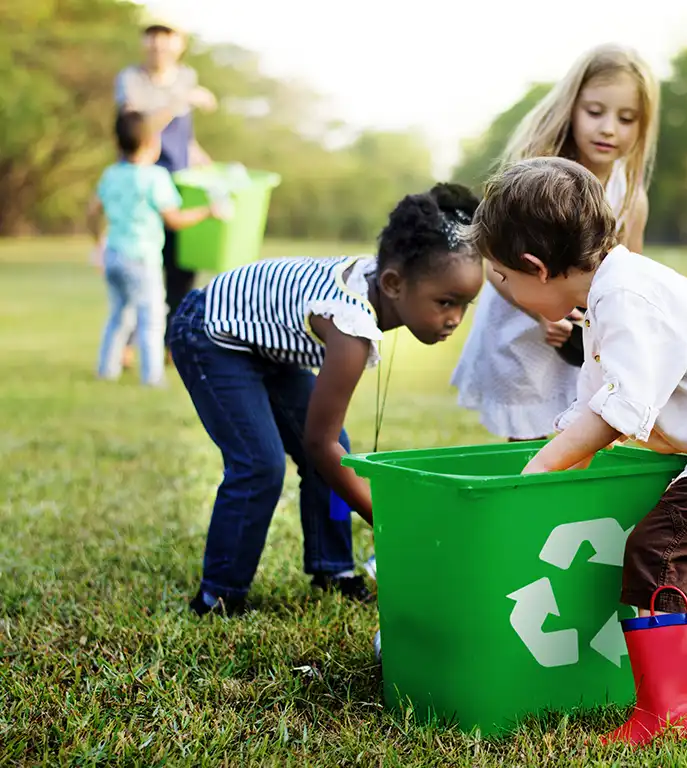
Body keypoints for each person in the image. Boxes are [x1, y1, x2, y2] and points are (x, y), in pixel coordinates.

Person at [465, 156, 687, 746]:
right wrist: (554, 488)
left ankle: (677, 715)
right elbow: (589, 412)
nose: (505, 292)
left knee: (662, 552)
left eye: (502, 279)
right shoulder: (612, 296)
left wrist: (539, 470)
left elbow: (616, 412)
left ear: (535, 267)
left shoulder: (629, 298)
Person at [168, 184, 484, 616]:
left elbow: (328, 446)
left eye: (466, 304)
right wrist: (385, 518)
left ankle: (333, 569)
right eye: (446, 302)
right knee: (260, 464)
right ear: (392, 283)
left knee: (340, 455)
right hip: (210, 332)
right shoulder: (350, 327)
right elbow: (320, 443)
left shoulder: (389, 278)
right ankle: (218, 596)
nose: (454, 319)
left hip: (266, 345)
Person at [451, 43, 659, 441]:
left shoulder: (630, 197)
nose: (609, 128)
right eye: (595, 112)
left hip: (580, 340)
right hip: (521, 329)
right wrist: (542, 315)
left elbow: (628, 280)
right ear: (571, 107)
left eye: (627, 118)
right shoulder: (534, 178)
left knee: (579, 434)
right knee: (528, 442)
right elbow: (494, 263)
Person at [87, 112, 221, 387]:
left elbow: (92, 211)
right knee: (152, 317)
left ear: (118, 144)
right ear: (152, 143)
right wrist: (209, 211)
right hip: (141, 258)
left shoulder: (112, 174)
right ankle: (152, 377)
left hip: (113, 254)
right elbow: (174, 219)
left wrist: (98, 241)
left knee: (119, 314)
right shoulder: (155, 177)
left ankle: (106, 370)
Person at [115, 14, 218, 348]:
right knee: (142, 265)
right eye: (151, 34)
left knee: (181, 270)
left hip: (179, 182)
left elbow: (182, 138)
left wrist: (210, 166)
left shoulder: (186, 76)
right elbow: (139, 132)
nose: (158, 42)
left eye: (166, 34)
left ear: (180, 42)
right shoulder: (130, 80)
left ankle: (174, 343)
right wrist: (180, 101)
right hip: (141, 183)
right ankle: (129, 344)